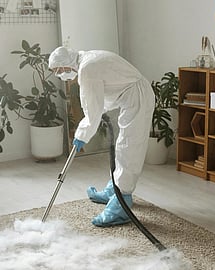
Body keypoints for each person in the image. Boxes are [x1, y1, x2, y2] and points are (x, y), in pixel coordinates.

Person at [48, 47, 154, 227]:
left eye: (59, 71)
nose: (59, 75)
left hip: (137, 97)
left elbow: (92, 111)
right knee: (123, 146)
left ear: (66, 65)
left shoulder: (87, 69)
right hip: (130, 95)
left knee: (128, 148)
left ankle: (122, 202)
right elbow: (101, 96)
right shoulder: (88, 60)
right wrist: (92, 121)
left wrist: (81, 135)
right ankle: (114, 189)